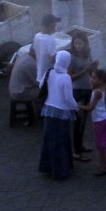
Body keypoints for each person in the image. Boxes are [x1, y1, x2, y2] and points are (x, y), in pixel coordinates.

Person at [39, 50, 78, 180]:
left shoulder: (50, 72)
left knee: (50, 141)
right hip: (62, 113)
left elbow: (41, 85)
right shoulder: (66, 77)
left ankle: (48, 167)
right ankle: (61, 170)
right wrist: (77, 107)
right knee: (61, 142)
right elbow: (68, 98)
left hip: (49, 110)